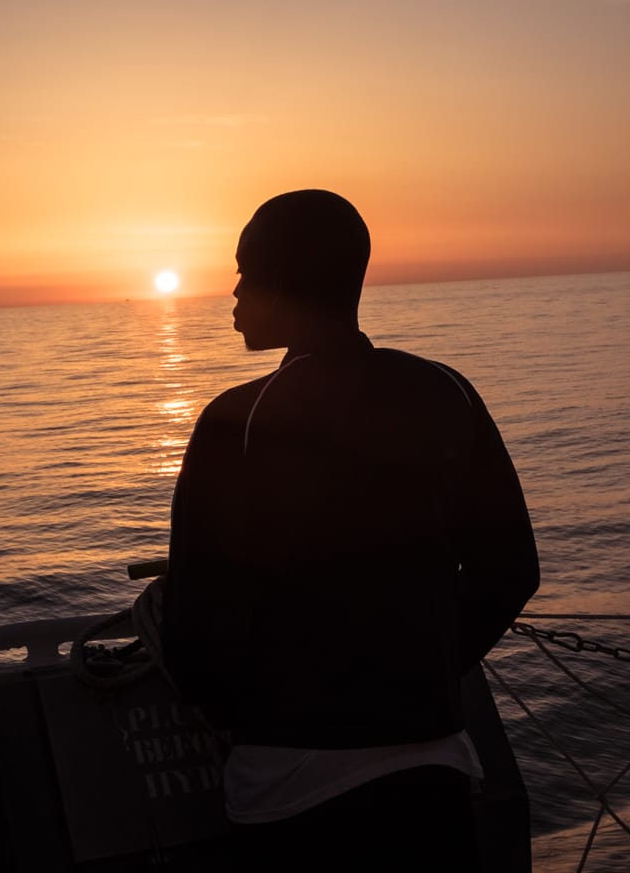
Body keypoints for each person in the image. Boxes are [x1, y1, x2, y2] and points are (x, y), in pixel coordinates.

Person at [161, 189, 539, 871]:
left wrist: (236, 701)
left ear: (284, 278)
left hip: (288, 787)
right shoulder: (445, 391)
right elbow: (511, 571)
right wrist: (422, 671)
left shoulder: (238, 421)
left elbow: (196, 624)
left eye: (246, 270)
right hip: (435, 768)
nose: (235, 291)